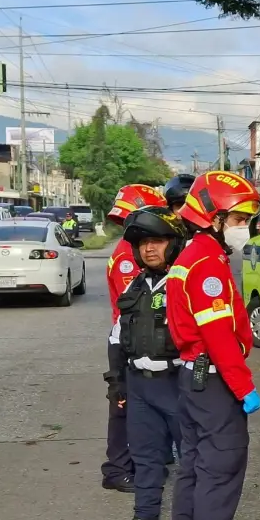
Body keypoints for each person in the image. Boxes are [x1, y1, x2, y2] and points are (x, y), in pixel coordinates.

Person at [165, 170, 260, 520]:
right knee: (217, 478)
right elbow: (219, 336)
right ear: (213, 217)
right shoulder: (205, 263)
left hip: (193, 379)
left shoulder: (195, 255)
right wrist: (244, 388)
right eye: (239, 218)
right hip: (214, 382)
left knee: (193, 471)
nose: (247, 227)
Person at [114, 205, 188, 520]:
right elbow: (117, 336)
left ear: (173, 243)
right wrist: (116, 382)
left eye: (157, 241)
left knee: (191, 461)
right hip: (139, 386)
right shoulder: (135, 287)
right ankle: (145, 515)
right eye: (143, 242)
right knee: (145, 457)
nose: (149, 248)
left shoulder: (184, 283)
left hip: (177, 383)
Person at [101, 184, 168, 493]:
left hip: (134, 340)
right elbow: (134, 308)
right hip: (128, 342)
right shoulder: (129, 258)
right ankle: (117, 468)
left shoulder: (131, 250)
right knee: (123, 407)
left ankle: (141, 461)